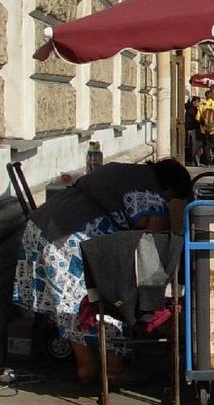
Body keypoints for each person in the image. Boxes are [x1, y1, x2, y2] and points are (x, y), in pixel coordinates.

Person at [13, 157, 193, 386]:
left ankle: (87, 367)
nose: (168, 202)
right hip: (67, 240)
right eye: (172, 198)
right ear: (169, 188)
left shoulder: (121, 170)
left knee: (71, 307)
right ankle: (113, 369)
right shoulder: (153, 197)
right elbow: (154, 249)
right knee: (109, 298)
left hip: (40, 229)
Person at [184, 95, 201, 165]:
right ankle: (195, 161)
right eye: (198, 102)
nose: (199, 104)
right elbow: (196, 119)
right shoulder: (192, 110)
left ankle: (195, 160)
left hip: (190, 128)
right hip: (193, 129)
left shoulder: (190, 108)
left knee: (194, 145)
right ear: (194, 102)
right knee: (196, 145)